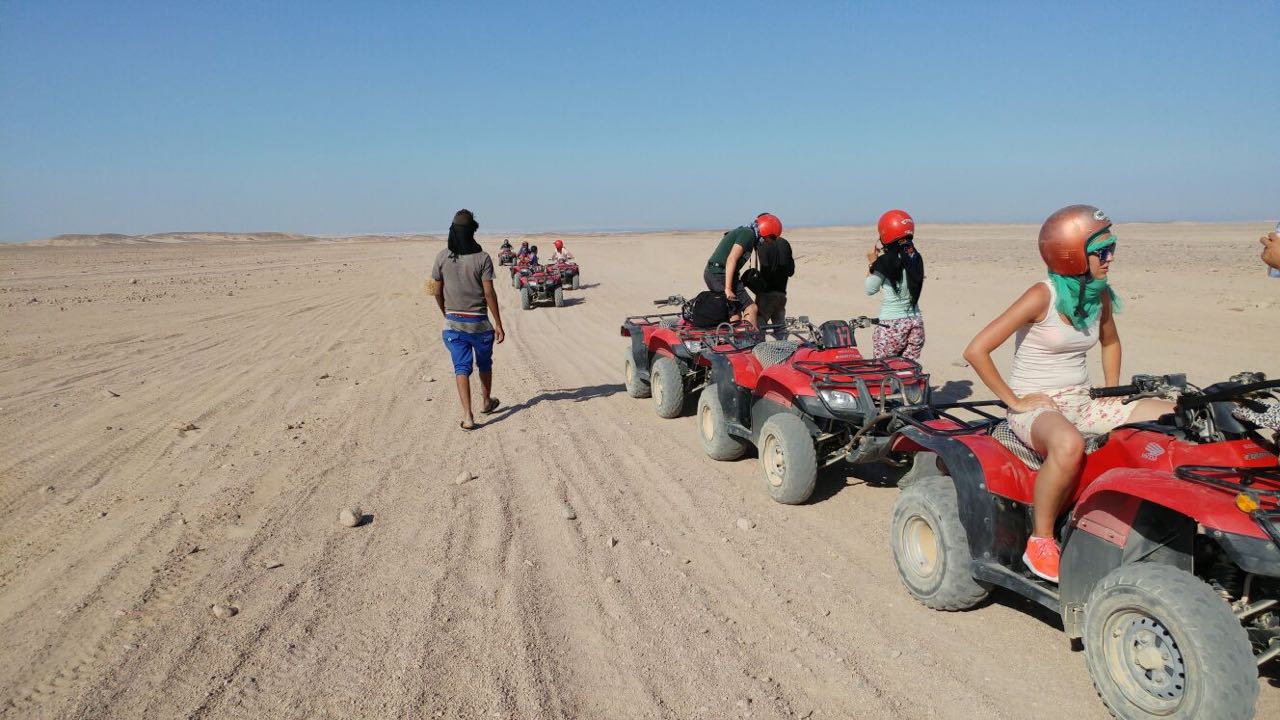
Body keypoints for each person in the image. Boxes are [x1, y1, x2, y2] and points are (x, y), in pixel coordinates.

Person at [962, 205, 1173, 583]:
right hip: (1036, 406)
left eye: (1112, 248)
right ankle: (1041, 540)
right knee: (1068, 444)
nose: (1110, 258)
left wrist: (1111, 392)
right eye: (1102, 251)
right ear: (1072, 255)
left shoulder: (1098, 295)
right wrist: (1015, 401)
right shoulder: (1041, 296)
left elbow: (1111, 342)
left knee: (1173, 413)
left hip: (1082, 400)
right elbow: (976, 349)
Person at [431, 209, 506, 430]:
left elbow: (436, 291)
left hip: (453, 324)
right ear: (472, 231)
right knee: (484, 364)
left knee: (461, 368)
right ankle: (486, 401)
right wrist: (498, 323)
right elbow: (489, 293)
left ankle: (467, 416)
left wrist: (446, 312)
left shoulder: (442, 257)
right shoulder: (483, 258)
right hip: (480, 324)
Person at [865, 210, 925, 360]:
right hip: (916, 323)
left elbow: (870, 289)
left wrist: (872, 263)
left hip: (892, 326)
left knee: (883, 369)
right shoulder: (915, 257)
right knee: (907, 369)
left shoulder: (885, 262)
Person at [704, 213, 783, 327]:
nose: (771, 242)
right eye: (772, 238)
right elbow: (731, 259)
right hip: (718, 274)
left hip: (720, 274)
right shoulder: (748, 234)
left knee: (737, 313)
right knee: (748, 308)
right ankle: (749, 338)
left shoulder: (748, 234)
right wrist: (728, 289)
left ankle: (738, 336)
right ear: (765, 230)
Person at [755, 234, 794, 336]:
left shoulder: (763, 244)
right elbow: (791, 271)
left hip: (766, 294)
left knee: (759, 330)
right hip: (781, 293)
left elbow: (765, 270)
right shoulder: (785, 242)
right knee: (781, 331)